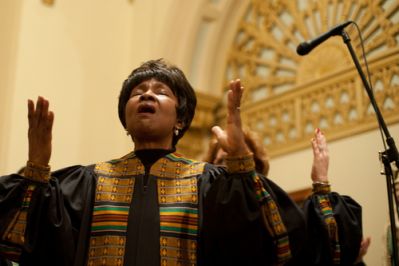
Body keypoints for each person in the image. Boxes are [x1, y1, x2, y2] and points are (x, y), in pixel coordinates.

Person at [0, 59, 361, 266]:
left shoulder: (211, 183)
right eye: (138, 92)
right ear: (125, 119)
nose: (146, 94)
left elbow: (280, 241)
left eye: (160, 91)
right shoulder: (87, 182)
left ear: (180, 119)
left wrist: (240, 161)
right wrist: (36, 169)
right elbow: (19, 240)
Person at [204, 128, 366, 265]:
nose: (232, 169)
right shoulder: (201, 212)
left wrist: (320, 182)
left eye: (240, 161)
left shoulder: (279, 221)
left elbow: (314, 254)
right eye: (222, 162)